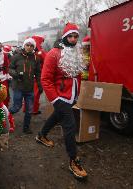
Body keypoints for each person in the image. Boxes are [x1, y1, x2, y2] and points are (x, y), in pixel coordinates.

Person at [35, 23, 88, 179]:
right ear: (64, 37)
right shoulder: (54, 53)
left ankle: (41, 135)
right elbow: (45, 79)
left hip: (71, 96)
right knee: (70, 125)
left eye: (75, 36)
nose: (73, 39)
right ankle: (73, 160)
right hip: (60, 97)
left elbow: (77, 75)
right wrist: (55, 99)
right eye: (70, 36)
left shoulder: (77, 52)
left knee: (56, 117)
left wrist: (77, 94)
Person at [9, 38, 42, 134]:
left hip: (29, 88)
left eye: (31, 46)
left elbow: (38, 73)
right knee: (16, 107)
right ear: (24, 45)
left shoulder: (36, 58)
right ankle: (4, 118)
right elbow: (10, 69)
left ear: (34, 47)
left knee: (29, 110)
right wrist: (16, 74)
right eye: (27, 45)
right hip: (18, 86)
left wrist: (40, 85)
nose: (29, 47)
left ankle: (26, 127)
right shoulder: (16, 57)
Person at [31, 35, 46, 114]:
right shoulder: (40, 52)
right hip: (37, 76)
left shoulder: (29, 51)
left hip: (29, 76)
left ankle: (27, 109)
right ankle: (34, 110)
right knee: (36, 93)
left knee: (29, 94)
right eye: (41, 42)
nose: (42, 44)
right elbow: (46, 61)